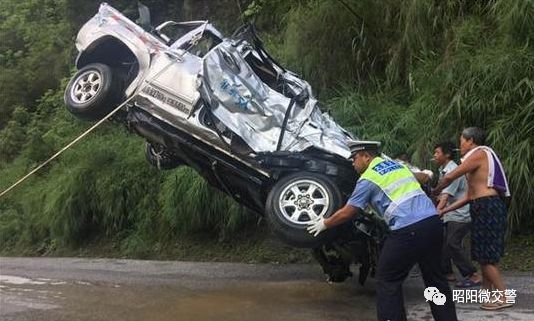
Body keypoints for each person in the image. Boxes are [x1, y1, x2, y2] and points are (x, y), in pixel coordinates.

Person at [307, 140, 457, 321]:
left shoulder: (368, 178)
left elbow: (349, 211)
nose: (353, 163)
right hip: (432, 224)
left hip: (407, 229)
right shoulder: (397, 166)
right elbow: (422, 178)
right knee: (435, 280)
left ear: (366, 156)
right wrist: (427, 174)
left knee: (388, 280)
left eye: (354, 158)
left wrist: (325, 223)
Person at [433, 127, 512, 311]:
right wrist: (444, 211)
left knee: (486, 257)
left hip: (487, 206)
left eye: (462, 141)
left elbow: (451, 176)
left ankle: (503, 296)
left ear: (471, 141)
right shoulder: (473, 162)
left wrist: (435, 191)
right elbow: (469, 196)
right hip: (479, 205)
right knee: (482, 255)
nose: (460, 145)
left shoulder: (480, 153)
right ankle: (487, 296)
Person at [433, 141, 481, 287]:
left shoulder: (452, 170)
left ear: (447, 154)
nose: (434, 156)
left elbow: (446, 195)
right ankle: (448, 273)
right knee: (444, 244)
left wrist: (437, 212)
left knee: (452, 243)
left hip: (459, 214)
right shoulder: (443, 170)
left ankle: (473, 275)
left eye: (437, 152)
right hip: (451, 214)